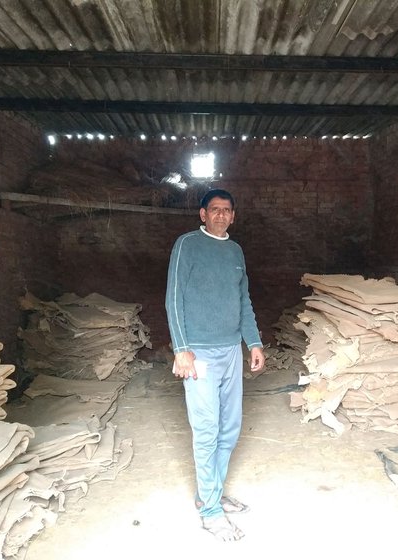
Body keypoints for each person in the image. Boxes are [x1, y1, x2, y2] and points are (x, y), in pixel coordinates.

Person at [165, 188, 265, 542]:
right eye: (215, 210)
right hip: (200, 355)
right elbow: (173, 298)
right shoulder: (187, 245)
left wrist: (253, 342)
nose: (221, 215)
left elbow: (244, 300)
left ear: (233, 216)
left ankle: (210, 492)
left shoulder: (235, 251)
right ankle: (210, 511)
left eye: (227, 210)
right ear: (202, 214)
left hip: (230, 352)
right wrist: (181, 348)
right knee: (207, 429)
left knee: (230, 428)